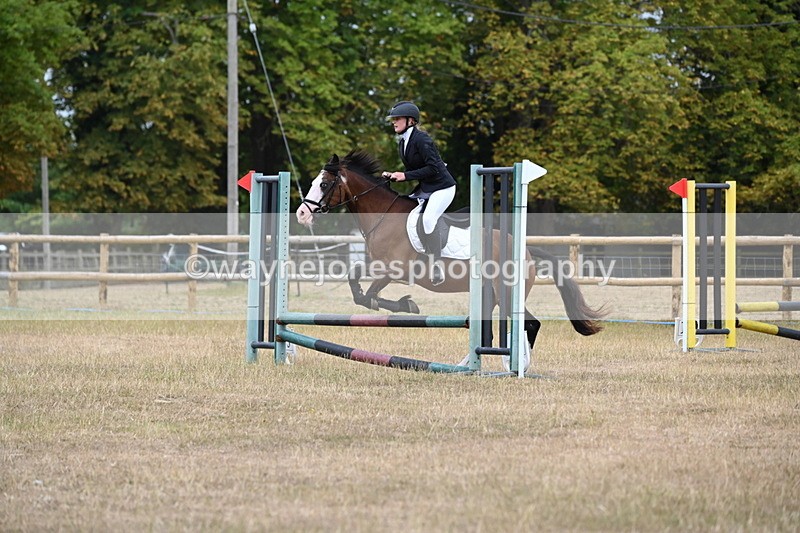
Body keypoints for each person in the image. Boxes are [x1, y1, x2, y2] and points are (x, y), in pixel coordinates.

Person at [382, 101, 456, 286]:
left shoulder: (422, 140)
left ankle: (436, 265)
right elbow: (417, 169)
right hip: (426, 188)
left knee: (428, 219)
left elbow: (433, 168)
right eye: (393, 119)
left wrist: (405, 175)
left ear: (410, 121)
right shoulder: (403, 143)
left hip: (442, 188)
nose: (394, 122)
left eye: (397, 119)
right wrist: (394, 175)